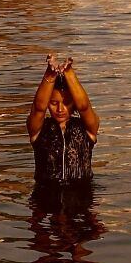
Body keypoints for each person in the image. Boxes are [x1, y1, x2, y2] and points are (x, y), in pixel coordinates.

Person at [27, 55, 99, 185]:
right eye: (54, 103)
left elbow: (84, 107)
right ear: (48, 103)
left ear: (74, 103)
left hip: (81, 197)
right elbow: (38, 108)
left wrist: (69, 73)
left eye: (67, 103)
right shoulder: (38, 129)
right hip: (45, 199)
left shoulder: (87, 128)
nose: (60, 109)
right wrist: (50, 74)